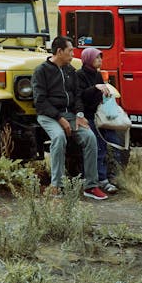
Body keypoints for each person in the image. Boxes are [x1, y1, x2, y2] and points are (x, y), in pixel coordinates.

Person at [33, 35, 105, 199]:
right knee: (59, 137)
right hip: (48, 115)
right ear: (59, 51)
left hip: (71, 115)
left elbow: (77, 96)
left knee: (90, 137)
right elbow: (40, 101)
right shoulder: (41, 71)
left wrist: (79, 114)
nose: (73, 54)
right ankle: (56, 186)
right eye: (70, 51)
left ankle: (91, 186)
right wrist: (59, 118)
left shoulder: (70, 70)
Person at [75, 46, 124, 194]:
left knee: (115, 142)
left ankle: (115, 176)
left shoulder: (97, 75)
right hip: (88, 116)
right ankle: (100, 179)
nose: (100, 60)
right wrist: (96, 88)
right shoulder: (80, 75)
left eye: (100, 57)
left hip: (101, 115)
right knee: (98, 147)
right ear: (88, 59)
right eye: (97, 58)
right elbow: (81, 96)